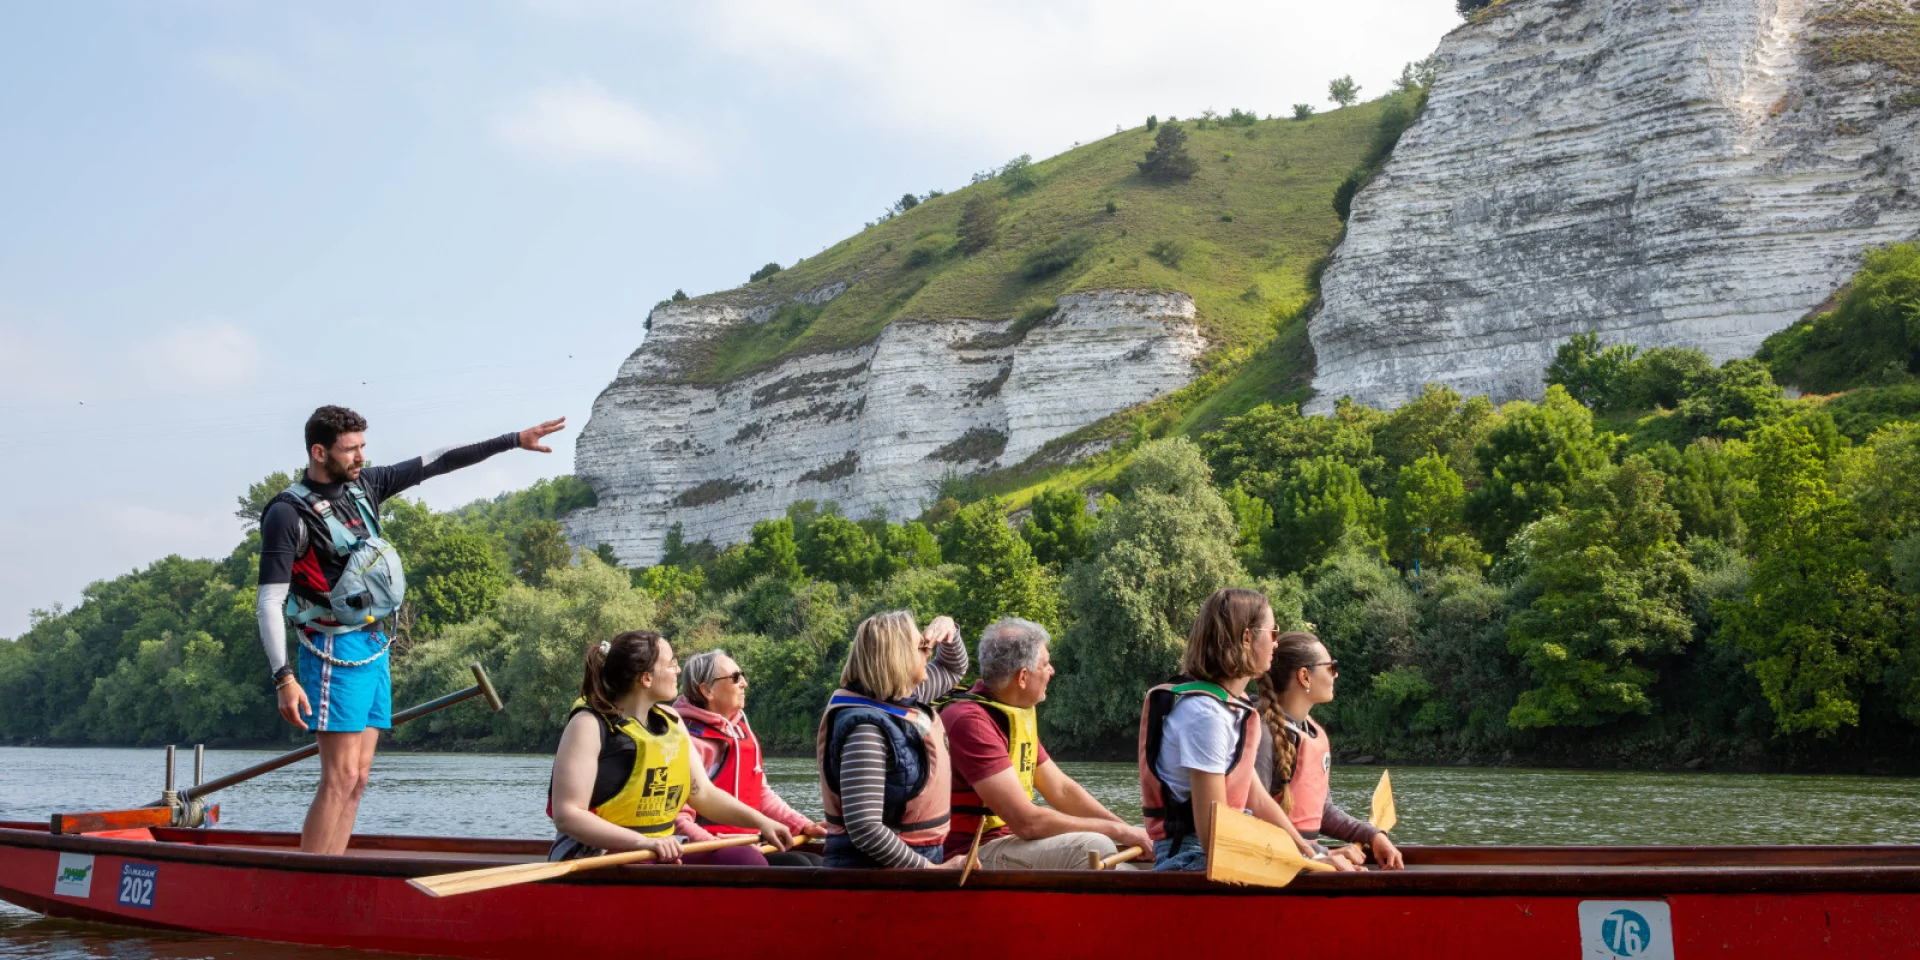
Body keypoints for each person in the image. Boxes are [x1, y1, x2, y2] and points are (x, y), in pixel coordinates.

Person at [257, 404, 566, 854]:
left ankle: (332, 867)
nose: (361, 456)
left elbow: (437, 460)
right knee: (339, 776)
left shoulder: (365, 485)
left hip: (373, 645)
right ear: (319, 452)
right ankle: (311, 879)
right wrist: (284, 678)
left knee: (359, 778)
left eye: (364, 446)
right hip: (330, 650)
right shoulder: (287, 515)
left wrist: (514, 440)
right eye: (351, 449)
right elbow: (268, 600)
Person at [1138, 588, 1342, 872]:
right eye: (1272, 633)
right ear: (1247, 637)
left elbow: (1256, 798)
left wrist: (1310, 854)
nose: (1276, 644)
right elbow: (1213, 838)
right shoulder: (1205, 716)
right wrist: (1298, 863)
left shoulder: (1235, 707)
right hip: (1189, 857)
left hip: (1217, 849)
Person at [549, 631, 795, 864]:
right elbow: (568, 815)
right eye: (671, 664)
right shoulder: (588, 725)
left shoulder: (671, 719)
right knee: (743, 862)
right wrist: (641, 842)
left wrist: (763, 822)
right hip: (596, 855)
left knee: (743, 859)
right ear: (645, 678)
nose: (678, 670)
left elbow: (704, 795)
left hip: (656, 849)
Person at [940, 618, 1154, 869]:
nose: (1052, 670)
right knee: (1095, 847)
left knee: (1146, 857)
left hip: (1012, 842)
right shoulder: (971, 722)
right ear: (1022, 677)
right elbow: (1026, 822)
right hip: (975, 852)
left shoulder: (1009, 713)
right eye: (1045, 664)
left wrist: (1128, 830)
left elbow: (1061, 789)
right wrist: (1117, 831)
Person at [816, 610, 970, 869]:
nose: (928, 652)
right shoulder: (865, 729)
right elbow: (866, 829)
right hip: (875, 874)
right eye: (921, 646)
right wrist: (931, 871)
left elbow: (952, 667)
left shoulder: (905, 694)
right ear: (897, 657)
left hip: (911, 866)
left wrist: (949, 630)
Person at [1256, 631, 1405, 870]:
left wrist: (1373, 835)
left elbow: (1321, 812)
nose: (1336, 674)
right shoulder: (1263, 733)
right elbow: (1253, 819)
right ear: (1305, 676)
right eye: (1331, 667)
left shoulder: (1311, 732)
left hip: (1302, 860)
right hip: (1273, 865)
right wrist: (1321, 852)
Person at [673, 649, 827, 866]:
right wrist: (720, 849)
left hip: (748, 845)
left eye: (742, 676)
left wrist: (801, 825)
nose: (744, 683)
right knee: (800, 865)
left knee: (817, 863)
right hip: (708, 848)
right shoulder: (689, 740)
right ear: (707, 690)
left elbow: (761, 796)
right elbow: (678, 818)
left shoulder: (742, 734)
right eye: (735, 678)